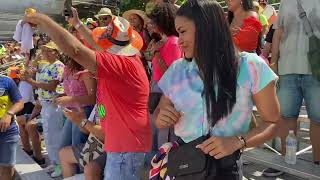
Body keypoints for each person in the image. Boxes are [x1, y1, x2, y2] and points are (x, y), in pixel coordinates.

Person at [153, 0, 280, 178]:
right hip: (185, 164)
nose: (179, 41)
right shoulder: (176, 70)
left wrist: (238, 142)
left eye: (182, 32)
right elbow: (159, 114)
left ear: (206, 27)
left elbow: (273, 123)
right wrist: (162, 118)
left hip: (225, 167)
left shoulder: (250, 66)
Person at [24, 7, 152, 180]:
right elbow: (103, 111)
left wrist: (44, 21)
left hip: (125, 150)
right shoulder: (125, 58)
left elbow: (75, 50)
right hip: (123, 146)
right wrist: (77, 24)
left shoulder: (120, 64)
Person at [263, 0, 320, 177]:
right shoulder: (287, 2)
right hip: (287, 69)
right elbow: (278, 34)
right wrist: (274, 63)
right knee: (286, 118)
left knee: (318, 120)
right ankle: (286, 161)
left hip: (315, 70)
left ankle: (317, 164)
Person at [22, 41, 65, 178]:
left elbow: (52, 86)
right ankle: (54, 161)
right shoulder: (47, 65)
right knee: (48, 135)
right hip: (45, 105)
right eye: (44, 50)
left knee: (55, 135)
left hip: (54, 105)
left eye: (49, 51)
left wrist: (32, 82)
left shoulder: (58, 66)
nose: (45, 53)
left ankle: (61, 164)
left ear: (56, 52)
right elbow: (31, 68)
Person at [55, 54, 96, 148]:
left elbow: (93, 98)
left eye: (66, 56)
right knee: (63, 146)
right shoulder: (67, 71)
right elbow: (69, 92)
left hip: (84, 111)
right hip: (72, 112)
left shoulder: (86, 73)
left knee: (76, 145)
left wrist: (71, 99)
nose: (64, 59)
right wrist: (61, 97)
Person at [59, 106, 106, 180]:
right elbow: (87, 131)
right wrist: (77, 119)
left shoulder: (111, 103)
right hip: (97, 144)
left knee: (90, 169)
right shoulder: (100, 104)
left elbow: (105, 136)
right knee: (64, 153)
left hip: (112, 149)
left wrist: (83, 121)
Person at [0, 75, 24, 180]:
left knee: (7, 167)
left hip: (7, 131)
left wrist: (9, 114)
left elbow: (19, 102)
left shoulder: (6, 81)